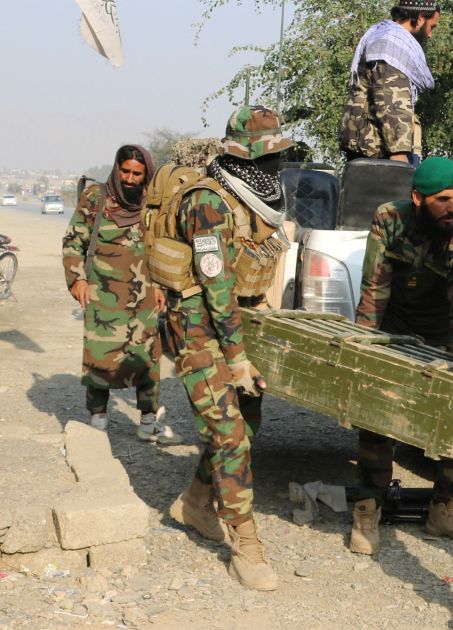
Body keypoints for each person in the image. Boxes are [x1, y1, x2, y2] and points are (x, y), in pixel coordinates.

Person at [155, 105, 293, 590]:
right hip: (197, 328)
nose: (278, 167)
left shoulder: (253, 198)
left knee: (246, 420)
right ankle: (247, 546)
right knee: (230, 434)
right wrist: (235, 359)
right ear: (244, 158)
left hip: (235, 322)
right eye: (269, 157)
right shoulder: (208, 203)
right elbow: (215, 288)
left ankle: (194, 501)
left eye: (280, 156)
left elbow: (246, 279)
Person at [349, 156, 453, 552]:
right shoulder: (389, 219)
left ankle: (446, 507)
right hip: (395, 327)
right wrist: (367, 347)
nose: (452, 207)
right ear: (417, 198)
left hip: (445, 331)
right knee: (377, 414)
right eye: (442, 199)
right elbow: (374, 287)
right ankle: (369, 507)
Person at [62, 145, 178, 445]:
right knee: (100, 354)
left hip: (144, 295)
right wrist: (78, 281)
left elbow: (163, 248)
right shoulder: (96, 198)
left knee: (147, 356)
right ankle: (97, 418)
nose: (129, 178)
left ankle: (147, 421)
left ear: (146, 174)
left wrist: (161, 286)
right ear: (116, 169)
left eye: (136, 173)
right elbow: (74, 242)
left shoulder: (153, 204)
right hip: (102, 292)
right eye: (124, 171)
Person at [339, 2, 441, 163]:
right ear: (420, 18)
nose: (430, 35)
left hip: (373, 146)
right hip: (376, 151)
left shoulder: (384, 37)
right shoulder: (391, 45)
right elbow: (391, 102)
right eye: (432, 27)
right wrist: (399, 154)